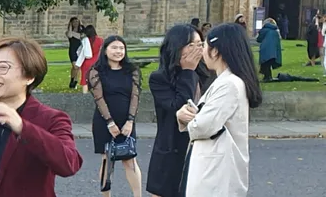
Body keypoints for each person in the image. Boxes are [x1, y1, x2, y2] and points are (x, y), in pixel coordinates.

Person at [0, 37, 83, 197]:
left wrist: (22, 127)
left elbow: (69, 164)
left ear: (29, 76)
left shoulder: (51, 119)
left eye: (3, 68)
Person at [178, 23, 258, 196]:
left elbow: (204, 126)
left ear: (215, 51)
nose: (202, 53)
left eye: (204, 46)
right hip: (214, 163)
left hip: (217, 169)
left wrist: (187, 118)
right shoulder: (226, 81)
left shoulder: (229, 84)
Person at [145, 24, 206, 197]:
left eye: (200, 44)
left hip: (199, 149)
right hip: (171, 149)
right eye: (191, 45)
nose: (197, 49)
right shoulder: (159, 78)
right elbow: (178, 106)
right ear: (177, 47)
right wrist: (187, 71)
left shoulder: (205, 74)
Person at [88, 36, 143, 197]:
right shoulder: (96, 71)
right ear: (105, 50)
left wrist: (130, 121)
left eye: (121, 48)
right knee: (107, 159)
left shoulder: (132, 70)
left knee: (130, 160)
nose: (118, 51)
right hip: (104, 122)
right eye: (114, 48)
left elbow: (135, 96)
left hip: (127, 121)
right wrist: (110, 123)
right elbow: (99, 98)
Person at [77, 25, 103, 91]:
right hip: (97, 62)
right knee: (97, 80)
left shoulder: (86, 40)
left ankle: (85, 95)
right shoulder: (100, 40)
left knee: (84, 81)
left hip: (86, 62)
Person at [68, 17, 85, 89]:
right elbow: (69, 35)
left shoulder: (82, 30)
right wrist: (70, 28)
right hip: (72, 50)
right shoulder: (69, 31)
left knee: (77, 67)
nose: (76, 23)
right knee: (75, 66)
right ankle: (73, 80)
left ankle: (75, 81)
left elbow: (80, 37)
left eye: (77, 21)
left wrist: (73, 34)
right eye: (74, 22)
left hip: (80, 50)